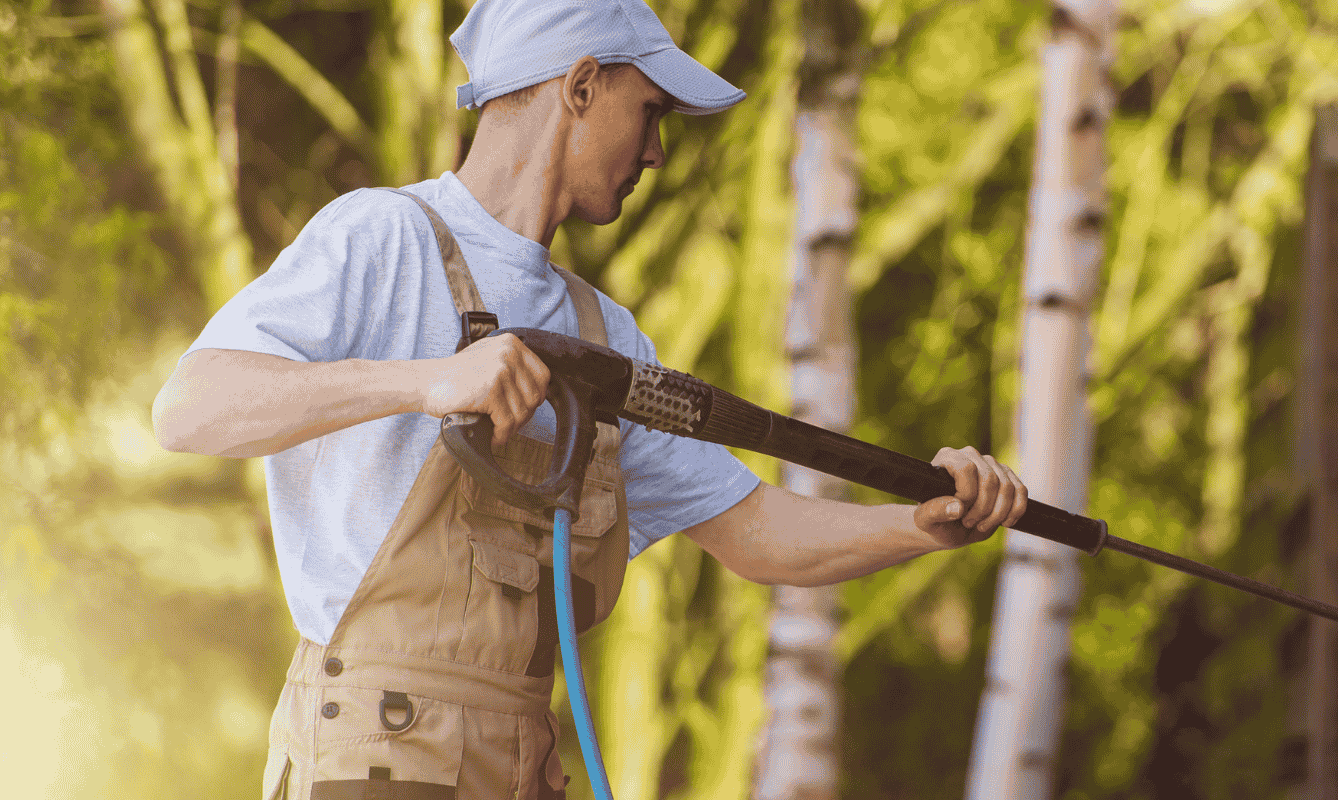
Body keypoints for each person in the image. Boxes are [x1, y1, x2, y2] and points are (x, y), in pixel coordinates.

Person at [150, 0, 1029, 797]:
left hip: (523, 764)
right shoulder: (383, 237)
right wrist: (426, 381)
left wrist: (918, 527)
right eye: (649, 112)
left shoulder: (602, 337)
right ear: (578, 85)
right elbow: (189, 407)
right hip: (378, 759)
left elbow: (753, 531)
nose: (656, 150)